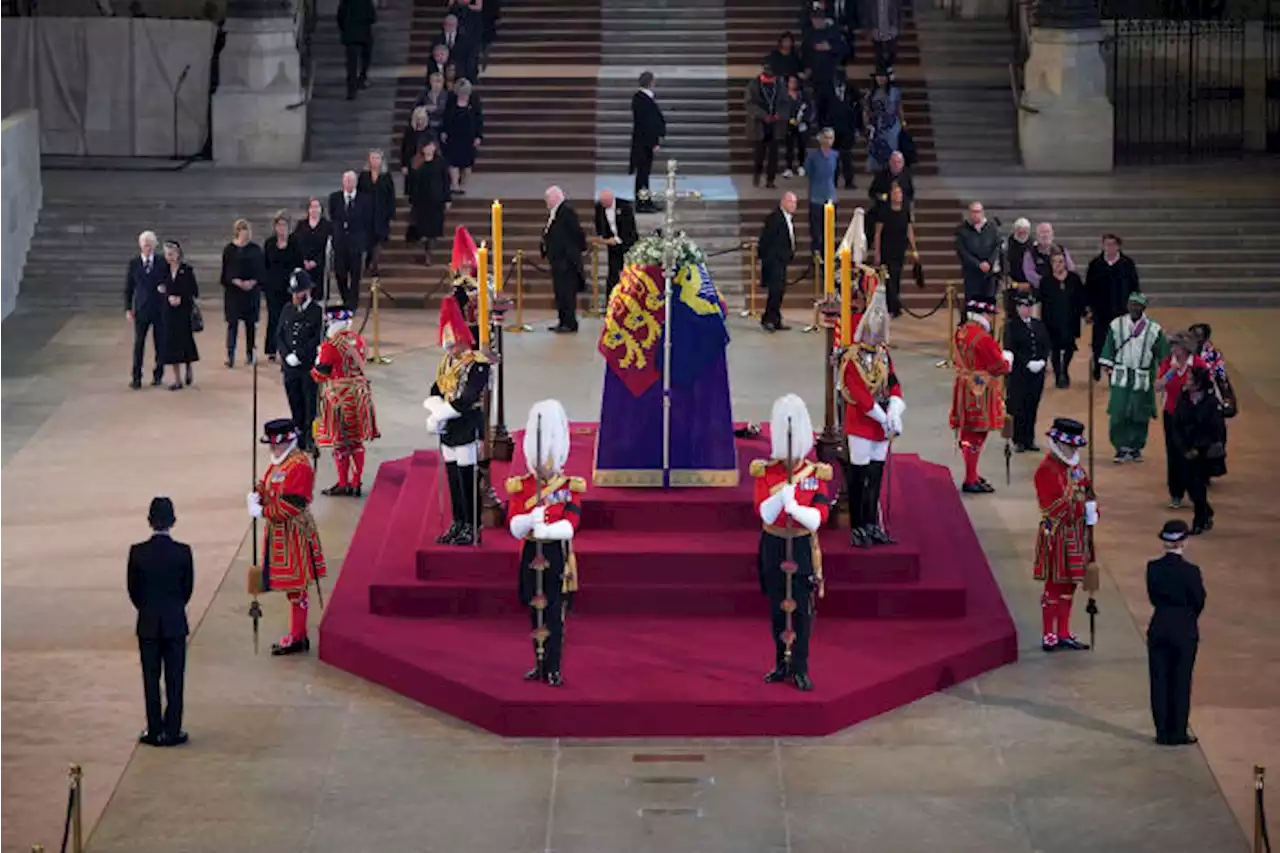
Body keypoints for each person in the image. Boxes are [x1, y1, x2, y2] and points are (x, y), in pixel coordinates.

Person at [752, 394, 832, 692]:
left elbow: (819, 517)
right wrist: (780, 499)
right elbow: (762, 510)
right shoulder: (766, 470)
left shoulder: (814, 473)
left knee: (802, 611)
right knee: (777, 608)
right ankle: (780, 663)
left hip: (800, 546)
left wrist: (794, 507)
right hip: (773, 544)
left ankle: (799, 666)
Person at [505, 399, 583, 687]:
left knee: (553, 614)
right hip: (530, 552)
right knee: (534, 609)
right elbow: (513, 524)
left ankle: (553, 666)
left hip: (555, 555)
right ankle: (538, 663)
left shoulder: (568, 487)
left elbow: (571, 525)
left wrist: (546, 529)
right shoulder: (521, 485)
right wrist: (527, 521)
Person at [247, 419, 328, 656]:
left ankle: (297, 636)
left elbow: (293, 504)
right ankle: (297, 634)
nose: (273, 450)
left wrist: (263, 511)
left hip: (294, 531)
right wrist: (258, 495)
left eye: (276, 445)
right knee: (292, 587)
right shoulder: (280, 463)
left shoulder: (299, 466)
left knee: (296, 587)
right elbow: (268, 485)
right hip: (279, 532)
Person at [838, 285, 905, 547]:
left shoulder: (883, 355)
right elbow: (860, 396)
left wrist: (896, 409)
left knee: (876, 476)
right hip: (861, 423)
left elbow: (894, 382)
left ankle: (872, 523)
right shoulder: (852, 360)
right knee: (858, 475)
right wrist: (883, 416)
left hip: (880, 424)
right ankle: (857, 525)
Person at [127, 496, 193, 747]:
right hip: (175, 623)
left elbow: (133, 590)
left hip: (148, 623)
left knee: (151, 678)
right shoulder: (183, 552)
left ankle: (154, 729)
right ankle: (173, 728)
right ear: (173, 521)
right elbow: (187, 589)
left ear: (149, 521)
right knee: (175, 679)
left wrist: (147, 609)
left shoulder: (137, 553)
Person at [425, 298, 492, 545]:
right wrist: (434, 409)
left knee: (467, 479)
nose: (450, 351)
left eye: (452, 345)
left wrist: (442, 413)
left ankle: (472, 525)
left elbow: (468, 398)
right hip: (449, 427)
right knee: (453, 478)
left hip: (467, 425)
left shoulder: (477, 365)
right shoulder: (447, 363)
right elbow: (436, 387)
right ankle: (458, 522)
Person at [1032, 417, 1099, 652]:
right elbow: (1053, 506)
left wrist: (1092, 506)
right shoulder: (1046, 470)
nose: (1073, 450)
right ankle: (1048, 632)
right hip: (1057, 533)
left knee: (1070, 585)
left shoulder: (1076, 468)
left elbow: (1087, 490)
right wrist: (1082, 507)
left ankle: (1063, 631)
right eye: (1070, 446)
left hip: (1077, 533)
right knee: (1054, 584)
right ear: (1058, 443)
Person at [1146, 519, 1205, 746]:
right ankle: (1178, 730)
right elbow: (1199, 600)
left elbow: (1153, 596)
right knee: (1181, 680)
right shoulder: (1191, 572)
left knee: (1159, 679)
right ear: (1184, 542)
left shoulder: (1153, 568)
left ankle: (1162, 731)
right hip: (1184, 628)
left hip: (1159, 624)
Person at [312, 306, 380, 497]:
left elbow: (319, 375)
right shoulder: (358, 340)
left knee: (340, 442)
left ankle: (343, 482)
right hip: (359, 395)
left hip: (339, 397)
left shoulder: (330, 345)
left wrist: (317, 360)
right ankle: (356, 482)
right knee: (356, 441)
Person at [950, 296, 1013, 493]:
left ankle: (972, 473)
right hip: (979, 390)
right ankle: (970, 478)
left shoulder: (962, 331)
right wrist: (1008, 359)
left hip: (964, 387)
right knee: (977, 434)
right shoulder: (982, 338)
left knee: (967, 432)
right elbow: (998, 366)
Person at [1098, 292, 1169, 463]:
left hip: (1142, 376)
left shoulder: (1154, 329)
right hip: (1121, 375)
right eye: (1131, 304)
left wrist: (1164, 375)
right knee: (1118, 411)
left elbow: (1163, 355)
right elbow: (1109, 345)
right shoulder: (1117, 324)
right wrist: (1107, 365)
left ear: (1143, 308)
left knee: (1140, 412)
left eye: (1137, 305)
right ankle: (1120, 447)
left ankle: (1136, 446)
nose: (1134, 308)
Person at [1156, 332, 1206, 509]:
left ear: (1185, 348)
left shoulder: (1197, 364)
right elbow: (1157, 386)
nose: (1172, 349)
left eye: (1176, 346)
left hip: (1192, 416)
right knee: (1173, 453)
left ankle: (1196, 491)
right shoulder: (1168, 363)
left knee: (1192, 453)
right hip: (1171, 414)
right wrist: (1172, 371)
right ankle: (1176, 493)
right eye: (1172, 346)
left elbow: (1205, 385)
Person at [1171, 367, 1223, 535]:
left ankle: (1199, 519)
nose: (1186, 381)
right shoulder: (1184, 398)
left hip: (1203, 451)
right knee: (1188, 484)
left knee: (1198, 484)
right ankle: (1206, 511)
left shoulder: (1210, 402)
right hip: (1185, 449)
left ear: (1199, 383)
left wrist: (1198, 448)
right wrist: (1184, 448)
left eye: (1190, 379)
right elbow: (1176, 425)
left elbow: (1215, 429)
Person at [277, 269, 324, 453]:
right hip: (290, 368)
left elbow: (317, 339)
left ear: (307, 291)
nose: (295, 296)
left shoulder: (317, 312)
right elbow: (280, 334)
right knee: (294, 402)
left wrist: (301, 355)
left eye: (299, 292)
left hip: (307, 367)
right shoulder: (287, 309)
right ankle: (299, 435)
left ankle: (310, 438)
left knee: (309, 404)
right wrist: (286, 354)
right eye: (294, 293)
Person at [1084, 233, 1140, 380]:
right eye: (1106, 244)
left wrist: (1135, 307)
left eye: (1112, 244)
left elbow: (1134, 287)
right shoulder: (1095, 264)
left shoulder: (1127, 264)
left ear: (1118, 246)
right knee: (1099, 342)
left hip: (1121, 310)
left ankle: (1116, 370)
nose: (1109, 248)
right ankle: (1098, 366)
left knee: (1119, 341)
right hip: (1100, 311)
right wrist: (1088, 309)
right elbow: (1088, 288)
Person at [1004, 291, 1049, 452]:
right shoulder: (1011, 326)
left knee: (1032, 405)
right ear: (1017, 308)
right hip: (1020, 373)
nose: (1026, 310)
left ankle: (1029, 438)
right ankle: (1019, 439)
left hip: (1037, 373)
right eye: (1023, 306)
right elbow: (1011, 348)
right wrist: (1027, 362)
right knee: (1019, 406)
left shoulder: (1038, 324)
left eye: (1028, 307)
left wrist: (1043, 360)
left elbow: (1045, 344)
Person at [540, 185, 587, 334]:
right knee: (560, 293)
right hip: (558, 261)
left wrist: (575, 251)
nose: (546, 201)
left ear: (555, 198)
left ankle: (570, 322)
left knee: (567, 293)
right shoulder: (555, 212)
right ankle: (563, 320)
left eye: (547, 198)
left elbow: (577, 233)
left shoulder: (566, 211)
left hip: (566, 262)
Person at [1189, 322, 1233, 479]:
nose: (1195, 338)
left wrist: (1227, 398)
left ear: (1206, 337)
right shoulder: (1184, 353)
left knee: (1214, 433)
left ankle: (1209, 468)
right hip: (1190, 399)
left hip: (1210, 399)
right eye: (1193, 335)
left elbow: (1221, 376)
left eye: (1198, 335)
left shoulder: (1213, 354)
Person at [220, 219, 265, 368]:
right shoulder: (229, 249)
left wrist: (252, 282)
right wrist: (235, 281)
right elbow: (225, 273)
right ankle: (230, 355)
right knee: (232, 325)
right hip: (234, 293)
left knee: (250, 324)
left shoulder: (255, 249)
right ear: (238, 232)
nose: (246, 233)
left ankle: (250, 353)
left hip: (251, 293)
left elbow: (261, 271)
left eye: (248, 230)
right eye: (243, 230)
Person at [125, 230, 167, 389]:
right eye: (145, 245)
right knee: (139, 344)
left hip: (159, 308)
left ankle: (158, 374)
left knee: (160, 343)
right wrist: (128, 308)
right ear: (140, 246)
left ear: (155, 245)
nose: (148, 248)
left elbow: (168, 282)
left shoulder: (162, 262)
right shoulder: (134, 263)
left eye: (150, 245)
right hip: (141, 309)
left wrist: (165, 289)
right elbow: (129, 288)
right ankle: (136, 377)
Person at [329, 171, 374, 311]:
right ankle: (346, 298)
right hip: (340, 243)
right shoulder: (335, 198)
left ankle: (352, 304)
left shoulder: (364, 199)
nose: (349, 183)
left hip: (356, 243)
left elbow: (368, 221)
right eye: (347, 180)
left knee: (355, 276)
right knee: (340, 273)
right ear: (343, 182)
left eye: (352, 180)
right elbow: (334, 217)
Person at [1040, 248, 1085, 388]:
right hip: (1051, 319)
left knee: (1069, 346)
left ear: (1065, 262)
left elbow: (1081, 298)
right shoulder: (1046, 281)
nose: (1058, 264)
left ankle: (1065, 370)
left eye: (1060, 261)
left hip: (1070, 318)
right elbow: (1042, 301)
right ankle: (1058, 373)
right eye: (1054, 262)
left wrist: (1085, 313)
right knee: (1054, 348)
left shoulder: (1074, 279)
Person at [159, 240, 200, 390]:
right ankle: (177, 379)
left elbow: (194, 291)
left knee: (185, 341)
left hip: (183, 311)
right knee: (172, 345)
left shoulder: (187, 270)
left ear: (178, 254)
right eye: (167, 254)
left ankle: (188, 366)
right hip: (168, 312)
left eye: (171, 254)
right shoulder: (162, 270)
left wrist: (181, 298)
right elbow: (159, 288)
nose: (169, 257)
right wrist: (168, 296)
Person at [871, 183, 917, 317]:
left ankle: (895, 306)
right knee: (888, 278)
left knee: (896, 277)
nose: (898, 196)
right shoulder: (884, 212)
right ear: (891, 195)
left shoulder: (905, 211)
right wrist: (877, 252)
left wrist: (914, 249)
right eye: (896, 193)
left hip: (899, 249)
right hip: (887, 249)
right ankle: (889, 307)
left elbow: (909, 230)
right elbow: (878, 233)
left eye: (900, 193)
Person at [262, 213, 302, 364]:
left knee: (289, 318)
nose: (282, 228)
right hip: (273, 288)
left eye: (284, 225)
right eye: (279, 225)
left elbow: (298, 264)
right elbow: (264, 265)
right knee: (273, 318)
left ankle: (288, 349)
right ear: (275, 227)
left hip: (290, 288)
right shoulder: (269, 243)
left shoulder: (294, 243)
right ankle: (271, 349)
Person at [406, 137, 452, 266]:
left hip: (436, 201)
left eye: (431, 146)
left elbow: (446, 181)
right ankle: (420, 252)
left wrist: (447, 198)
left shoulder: (440, 162)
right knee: (419, 230)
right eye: (426, 146)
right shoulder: (416, 162)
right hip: (420, 201)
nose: (428, 149)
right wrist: (410, 196)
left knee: (433, 231)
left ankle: (428, 255)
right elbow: (410, 181)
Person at [758, 191, 798, 332]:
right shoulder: (774, 218)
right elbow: (766, 240)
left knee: (779, 292)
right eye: (792, 202)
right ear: (784, 202)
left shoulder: (787, 218)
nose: (794, 206)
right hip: (774, 261)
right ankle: (768, 319)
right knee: (775, 291)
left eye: (795, 203)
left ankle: (775, 319)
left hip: (781, 261)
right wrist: (767, 258)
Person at [630, 71, 666, 212]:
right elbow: (647, 123)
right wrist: (654, 142)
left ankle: (646, 200)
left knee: (644, 174)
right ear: (651, 82)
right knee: (642, 174)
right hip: (643, 144)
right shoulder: (642, 99)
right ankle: (641, 203)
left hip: (643, 142)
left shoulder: (643, 98)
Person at [440, 79, 484, 195]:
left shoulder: (474, 101)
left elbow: (479, 120)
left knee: (467, 163)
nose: (463, 95)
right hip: (454, 135)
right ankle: (454, 184)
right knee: (453, 161)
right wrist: (444, 131)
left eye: (465, 92)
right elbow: (446, 116)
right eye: (461, 92)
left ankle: (464, 184)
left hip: (468, 137)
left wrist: (478, 136)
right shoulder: (451, 100)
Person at [358, 150, 397, 277]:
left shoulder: (386, 177)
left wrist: (391, 213)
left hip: (381, 213)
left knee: (378, 240)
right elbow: (359, 194)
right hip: (366, 213)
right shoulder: (364, 176)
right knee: (368, 240)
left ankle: (375, 265)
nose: (375, 161)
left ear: (382, 160)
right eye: (373, 158)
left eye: (377, 158)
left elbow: (391, 196)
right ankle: (368, 262)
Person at [745, 61, 783, 189]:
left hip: (775, 124)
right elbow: (749, 104)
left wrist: (779, 114)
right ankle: (756, 175)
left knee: (774, 155)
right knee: (759, 154)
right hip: (759, 125)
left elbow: (785, 101)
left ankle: (770, 180)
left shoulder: (780, 84)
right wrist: (763, 115)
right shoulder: (754, 85)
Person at [954, 201, 1001, 304]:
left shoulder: (992, 228)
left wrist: (989, 262)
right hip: (971, 275)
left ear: (982, 212)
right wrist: (978, 264)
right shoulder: (962, 230)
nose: (976, 214)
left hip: (989, 275)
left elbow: (997, 246)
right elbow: (962, 251)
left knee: (988, 307)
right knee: (973, 306)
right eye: (973, 212)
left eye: (978, 211)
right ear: (969, 213)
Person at [803, 127, 838, 261]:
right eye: (827, 137)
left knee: (829, 231)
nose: (829, 140)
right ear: (821, 139)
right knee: (816, 231)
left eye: (831, 138)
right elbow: (808, 173)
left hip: (831, 197)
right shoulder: (812, 156)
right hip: (816, 197)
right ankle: (816, 257)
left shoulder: (835, 155)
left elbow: (836, 174)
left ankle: (828, 257)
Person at [594, 189, 638, 295]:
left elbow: (630, 229)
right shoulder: (599, 207)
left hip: (628, 244)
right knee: (612, 274)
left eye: (605, 202)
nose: (604, 204)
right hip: (613, 247)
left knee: (629, 273)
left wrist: (617, 240)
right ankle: (610, 301)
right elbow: (598, 224)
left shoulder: (625, 207)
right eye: (602, 202)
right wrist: (604, 237)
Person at [863, 66, 902, 173]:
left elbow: (898, 108)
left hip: (892, 125)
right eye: (878, 77)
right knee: (877, 150)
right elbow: (866, 109)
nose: (880, 79)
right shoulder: (871, 93)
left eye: (883, 76)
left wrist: (902, 123)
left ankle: (892, 170)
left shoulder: (895, 91)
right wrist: (867, 124)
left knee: (891, 149)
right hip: (877, 125)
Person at [827, 72, 862, 190]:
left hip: (848, 128)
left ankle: (849, 181)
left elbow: (858, 111)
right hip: (832, 128)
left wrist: (858, 127)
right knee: (832, 157)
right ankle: (833, 181)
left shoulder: (853, 92)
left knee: (846, 155)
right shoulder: (827, 91)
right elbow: (821, 109)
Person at [336, 0, 376, 100]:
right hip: (364, 34)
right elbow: (373, 17)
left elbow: (340, 17)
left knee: (351, 65)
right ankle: (362, 78)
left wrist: (345, 28)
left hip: (350, 35)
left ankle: (351, 89)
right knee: (366, 57)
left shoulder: (346, 2)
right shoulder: (366, 2)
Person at [293, 199, 333, 297]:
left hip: (320, 266)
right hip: (303, 264)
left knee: (318, 294)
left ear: (321, 209)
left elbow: (328, 246)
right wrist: (304, 260)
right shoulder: (301, 224)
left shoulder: (327, 226)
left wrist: (315, 262)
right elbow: (296, 243)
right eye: (312, 207)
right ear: (308, 209)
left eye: (317, 207)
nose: (314, 209)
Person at [1020, 222, 1075, 290]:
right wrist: (1047, 283)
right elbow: (1030, 273)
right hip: (1040, 290)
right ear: (1037, 236)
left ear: (1052, 235)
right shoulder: (1030, 253)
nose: (1045, 235)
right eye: (1042, 232)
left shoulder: (1062, 250)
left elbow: (1070, 268)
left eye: (1047, 232)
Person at [780, 73, 814, 179]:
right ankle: (788, 168)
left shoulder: (803, 95)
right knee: (789, 147)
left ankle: (801, 166)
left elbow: (810, 109)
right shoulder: (783, 96)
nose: (793, 84)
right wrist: (789, 119)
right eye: (791, 82)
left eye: (795, 82)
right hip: (788, 125)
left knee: (802, 146)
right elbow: (781, 109)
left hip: (802, 125)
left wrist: (803, 120)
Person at [400, 106, 432, 176]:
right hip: (412, 164)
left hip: (426, 165)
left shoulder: (430, 133)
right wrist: (404, 165)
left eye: (422, 119)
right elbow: (405, 149)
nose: (420, 121)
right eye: (418, 119)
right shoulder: (410, 133)